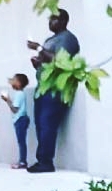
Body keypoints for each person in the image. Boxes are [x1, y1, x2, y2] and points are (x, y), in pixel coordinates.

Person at [26, 9, 80, 173]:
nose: (50, 23)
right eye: (50, 20)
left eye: (54, 19)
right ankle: (41, 159)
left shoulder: (68, 39)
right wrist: (38, 63)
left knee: (47, 123)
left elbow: (60, 60)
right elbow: (47, 60)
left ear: (63, 21)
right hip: (42, 87)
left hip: (56, 88)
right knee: (40, 124)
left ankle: (46, 161)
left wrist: (39, 48)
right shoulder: (51, 39)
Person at [2, 72, 32, 168]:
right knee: (21, 141)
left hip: (20, 120)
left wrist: (7, 100)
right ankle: (22, 160)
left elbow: (15, 109)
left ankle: (22, 161)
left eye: (14, 80)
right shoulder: (20, 93)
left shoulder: (19, 94)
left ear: (19, 83)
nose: (12, 82)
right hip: (21, 119)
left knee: (21, 142)